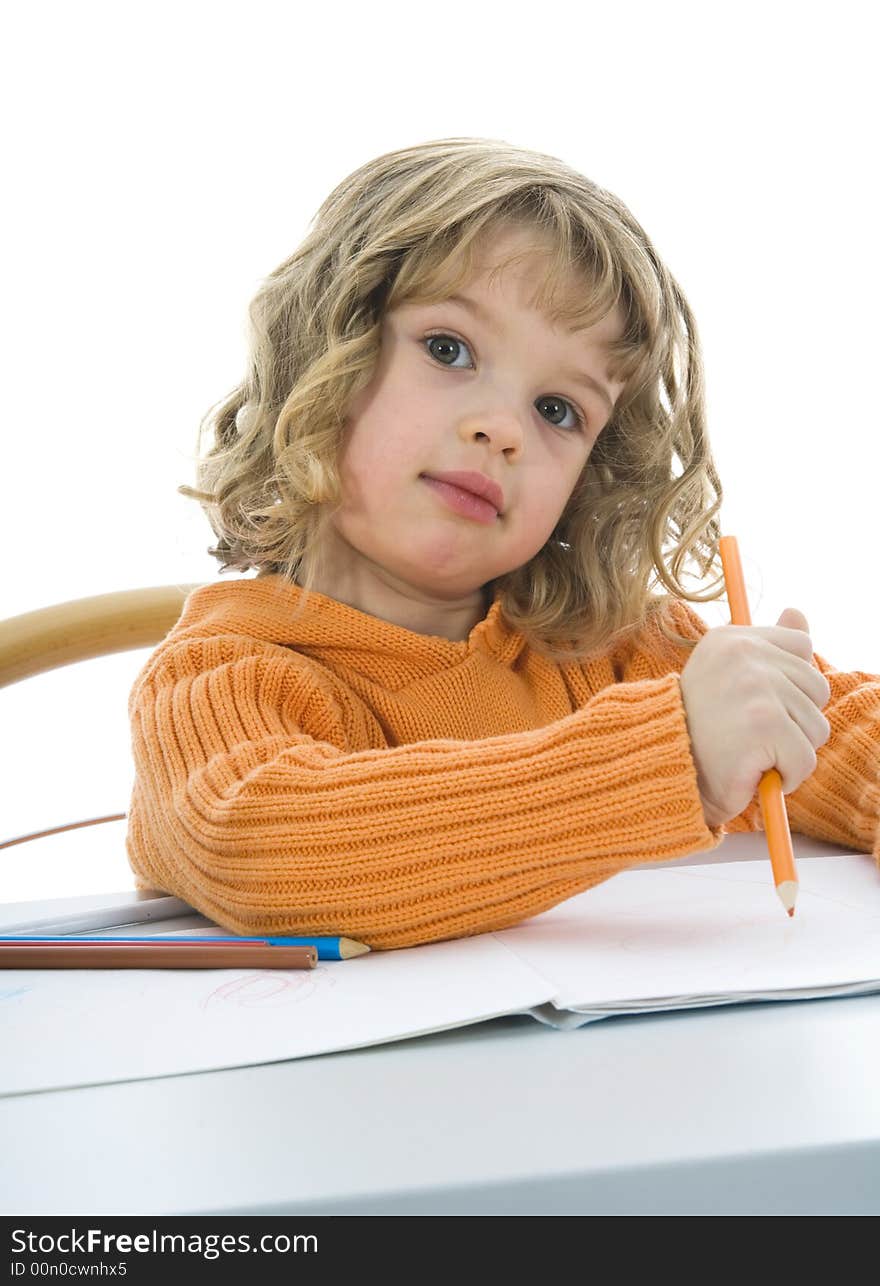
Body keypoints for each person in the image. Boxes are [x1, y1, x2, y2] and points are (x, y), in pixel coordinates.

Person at [126, 137, 879, 950]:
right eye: (449, 350)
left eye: (559, 410)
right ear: (325, 351)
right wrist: (674, 758)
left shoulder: (614, 651)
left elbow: (841, 741)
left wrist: (766, 726)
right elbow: (260, 847)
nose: (503, 428)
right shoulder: (223, 673)